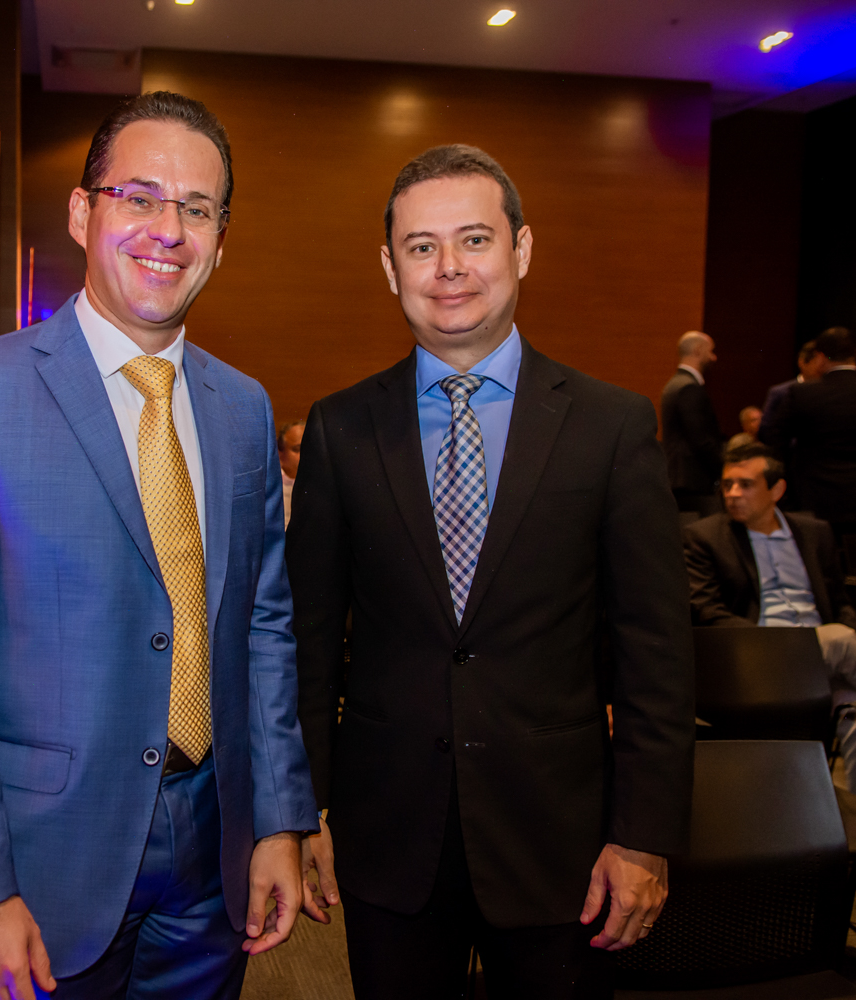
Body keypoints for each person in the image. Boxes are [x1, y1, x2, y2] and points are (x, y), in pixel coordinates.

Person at [0, 92, 319, 1000]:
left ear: (220, 238)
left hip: (212, 853)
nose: (169, 229)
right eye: (140, 197)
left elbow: (264, 630)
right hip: (46, 860)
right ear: (83, 212)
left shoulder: (243, 409)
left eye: (197, 208)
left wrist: (279, 820)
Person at [288, 144, 695, 999]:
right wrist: (301, 809)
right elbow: (309, 646)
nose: (449, 268)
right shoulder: (339, 429)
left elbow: (656, 654)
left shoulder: (612, 428)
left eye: (474, 239)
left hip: (566, 847)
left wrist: (645, 834)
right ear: (390, 267)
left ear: (522, 248)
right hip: (388, 837)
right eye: (421, 246)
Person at [682, 443, 856, 789]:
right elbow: (708, 611)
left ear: (776, 490)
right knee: (844, 644)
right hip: (760, 654)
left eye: (745, 484)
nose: (732, 493)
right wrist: (782, 642)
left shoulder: (814, 532)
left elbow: (840, 601)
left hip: (824, 656)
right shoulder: (705, 537)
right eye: (727, 484)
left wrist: (849, 630)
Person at [763, 326, 856, 538]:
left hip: (813, 499)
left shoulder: (802, 394)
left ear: (821, 356)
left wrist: (789, 491)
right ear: (855, 353)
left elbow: (775, 441)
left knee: (816, 558)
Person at [660, 330, 723, 516]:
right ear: (697, 350)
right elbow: (700, 439)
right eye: (710, 351)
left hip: (680, 478)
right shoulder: (688, 387)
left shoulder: (675, 383)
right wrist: (724, 468)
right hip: (692, 480)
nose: (713, 357)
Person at [757, 340, 825, 447]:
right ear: (802, 363)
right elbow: (766, 431)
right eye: (818, 362)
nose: (823, 368)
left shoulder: (830, 391)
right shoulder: (780, 392)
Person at [278, 420, 304, 527]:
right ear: (280, 452)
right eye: (297, 449)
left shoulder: (322, 483)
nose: (305, 454)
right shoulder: (270, 482)